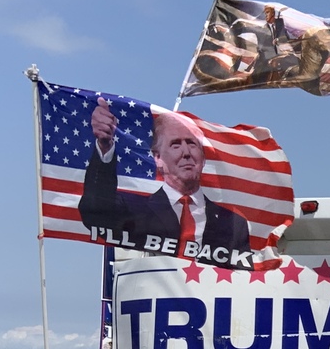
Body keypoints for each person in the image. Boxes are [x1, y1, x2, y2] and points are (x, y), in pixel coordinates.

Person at [78, 99, 251, 263]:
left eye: (191, 144)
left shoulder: (233, 223)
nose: (186, 153)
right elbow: (95, 211)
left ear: (203, 158)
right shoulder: (134, 210)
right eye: (175, 144)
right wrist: (105, 146)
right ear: (158, 158)